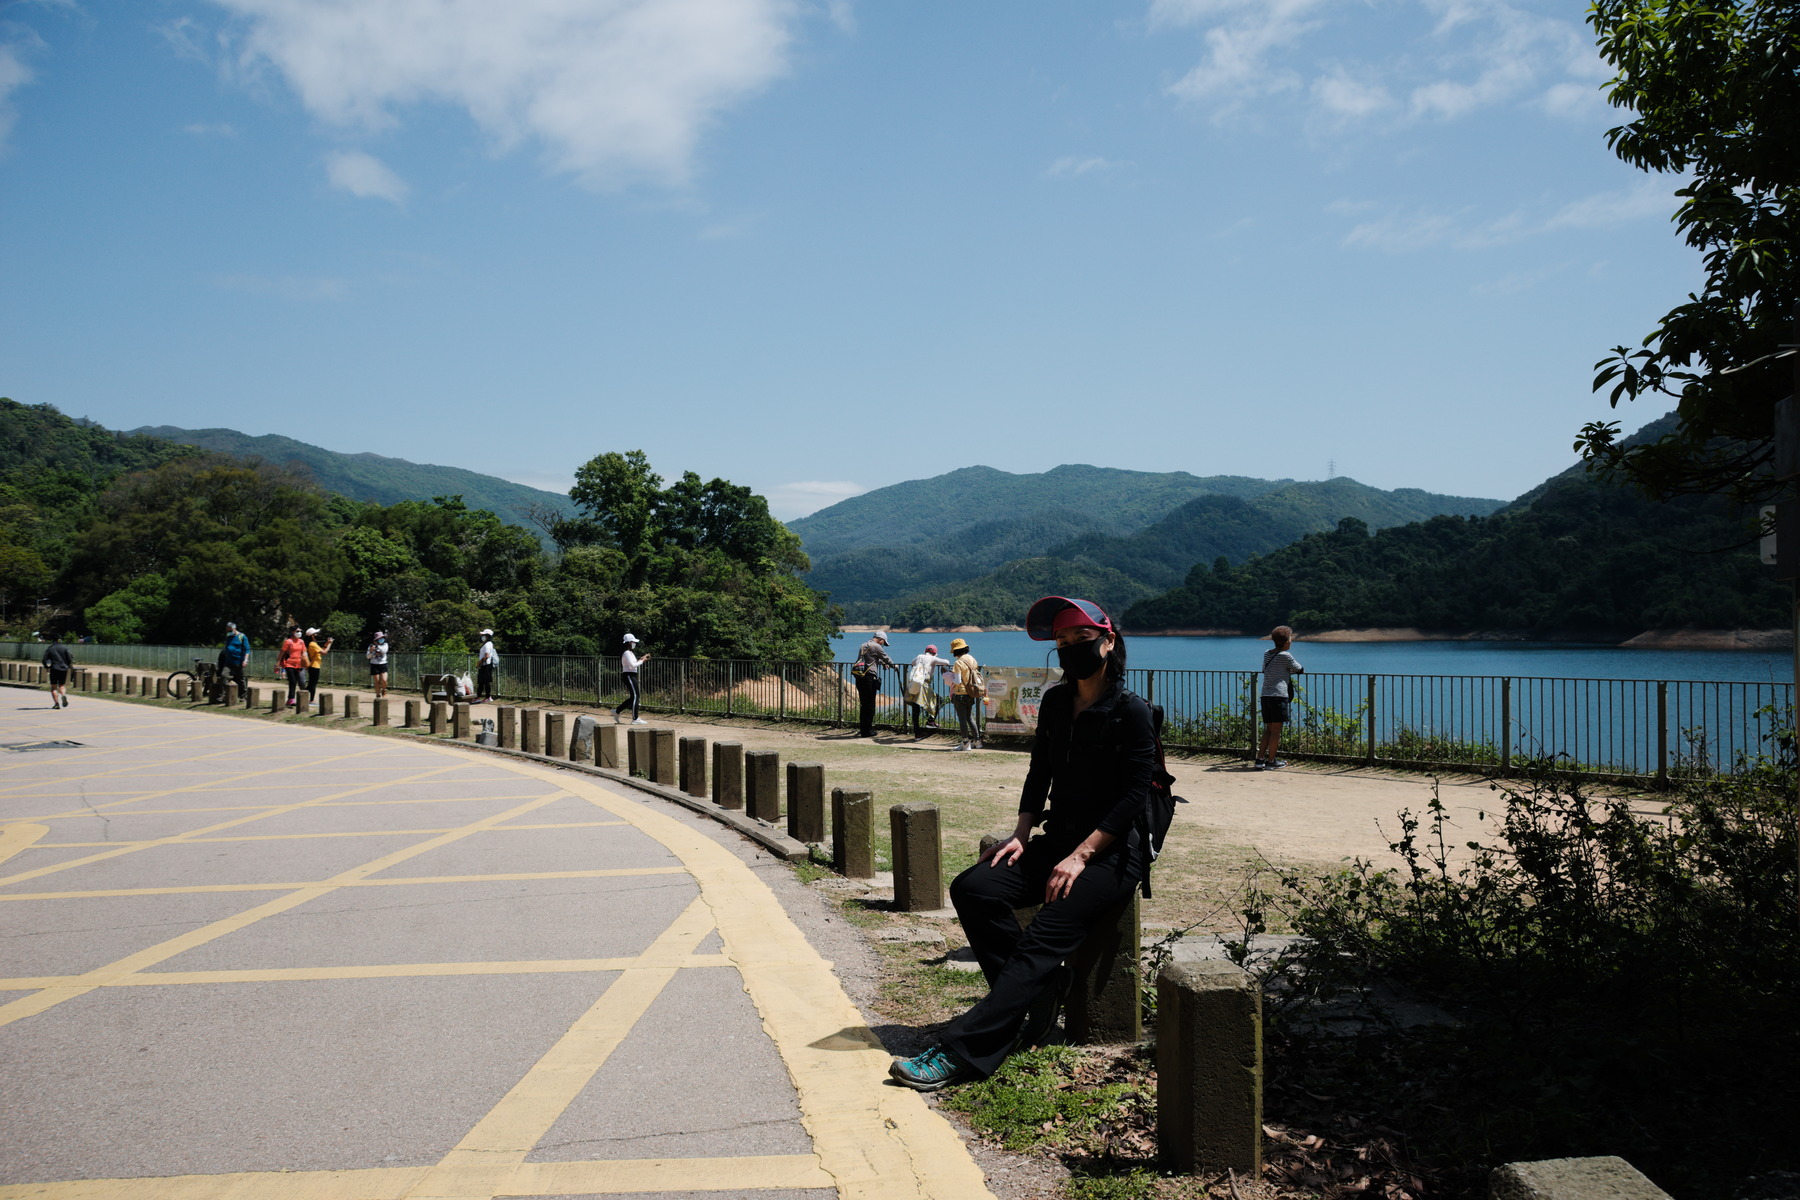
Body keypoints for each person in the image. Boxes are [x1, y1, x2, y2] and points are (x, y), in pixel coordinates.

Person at [889, 596, 1155, 1091]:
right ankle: (1042, 990)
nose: (1071, 648)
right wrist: (1020, 833)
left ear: (1108, 642)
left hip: (1113, 853)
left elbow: (1133, 797)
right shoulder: (1056, 702)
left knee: (1041, 939)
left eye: (1082, 638)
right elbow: (1040, 772)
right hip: (1059, 839)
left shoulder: (1131, 711)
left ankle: (964, 1049)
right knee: (975, 888)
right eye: (1062, 641)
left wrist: (1081, 856)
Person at [1257, 625, 1305, 769]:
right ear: (1287, 642)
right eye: (1290, 639)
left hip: (1265, 695)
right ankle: (1271, 761)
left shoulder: (1267, 653)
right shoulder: (1286, 656)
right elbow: (1299, 669)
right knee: (1276, 731)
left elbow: (1264, 669)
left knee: (1268, 729)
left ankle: (1260, 759)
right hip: (1278, 696)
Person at [852, 631, 899, 738]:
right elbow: (885, 657)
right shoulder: (877, 646)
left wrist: (881, 663)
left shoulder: (863, 645)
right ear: (880, 639)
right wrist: (894, 666)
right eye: (883, 642)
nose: (883, 644)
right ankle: (868, 731)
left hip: (860, 677)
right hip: (869, 678)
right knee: (870, 704)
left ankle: (863, 729)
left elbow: (869, 659)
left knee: (864, 704)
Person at [906, 644, 953, 739]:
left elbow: (912, 663)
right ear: (934, 653)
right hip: (924, 684)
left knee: (915, 708)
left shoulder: (919, 656)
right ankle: (930, 721)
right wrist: (935, 661)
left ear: (925, 651)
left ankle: (917, 733)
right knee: (939, 700)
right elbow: (946, 662)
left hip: (913, 683)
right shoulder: (933, 658)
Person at [948, 637, 987, 750]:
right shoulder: (972, 659)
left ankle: (965, 743)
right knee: (969, 717)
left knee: (962, 719)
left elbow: (957, 681)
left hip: (960, 693)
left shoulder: (958, 663)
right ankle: (977, 741)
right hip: (970, 692)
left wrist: (949, 676)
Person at [613, 633, 651, 725]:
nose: (635, 643)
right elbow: (632, 666)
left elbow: (633, 664)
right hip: (629, 675)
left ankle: (617, 711)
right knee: (636, 695)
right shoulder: (627, 653)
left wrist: (640, 660)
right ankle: (635, 718)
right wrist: (642, 661)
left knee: (633, 696)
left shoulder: (629, 653)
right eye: (633, 642)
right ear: (629, 642)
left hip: (631, 675)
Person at [278, 624, 308, 706]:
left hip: (299, 664)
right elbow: (282, 653)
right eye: (297, 631)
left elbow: (304, 651)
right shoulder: (288, 641)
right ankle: (291, 699)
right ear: (293, 632)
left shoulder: (301, 642)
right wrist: (277, 664)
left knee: (301, 682)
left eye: (300, 631)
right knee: (293, 681)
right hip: (289, 664)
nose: (299, 633)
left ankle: (301, 699)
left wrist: (306, 659)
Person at [42, 636, 73, 709]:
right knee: (62, 685)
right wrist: (68, 665)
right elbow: (69, 658)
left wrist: (47, 667)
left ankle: (56, 704)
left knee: (54, 687)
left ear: (53, 641)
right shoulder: (65, 648)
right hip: (63, 669)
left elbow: (44, 660)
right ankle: (63, 695)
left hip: (54, 668)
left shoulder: (50, 648)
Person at [220, 622, 250, 691]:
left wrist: (245, 660)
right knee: (224, 675)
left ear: (234, 628)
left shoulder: (242, 636)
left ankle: (243, 694)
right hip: (228, 662)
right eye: (228, 630)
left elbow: (247, 650)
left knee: (240, 678)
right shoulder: (228, 636)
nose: (229, 632)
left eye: (230, 630)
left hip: (238, 662)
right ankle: (224, 693)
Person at [304, 627, 332, 697]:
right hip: (314, 666)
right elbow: (324, 652)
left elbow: (321, 650)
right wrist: (329, 644)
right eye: (315, 633)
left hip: (314, 666)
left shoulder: (313, 643)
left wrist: (326, 644)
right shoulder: (312, 644)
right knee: (313, 684)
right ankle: (310, 699)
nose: (317, 634)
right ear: (312, 636)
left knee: (311, 684)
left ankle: (304, 696)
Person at [475, 629, 499, 703]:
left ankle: (488, 697)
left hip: (486, 665)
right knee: (482, 682)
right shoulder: (487, 644)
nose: (482, 636)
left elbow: (487, 655)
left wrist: (479, 662)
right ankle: (478, 697)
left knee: (486, 682)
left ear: (487, 636)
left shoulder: (488, 644)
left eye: (483, 635)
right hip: (484, 665)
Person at [366, 631, 390, 698]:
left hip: (383, 664)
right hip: (374, 664)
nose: (381, 639)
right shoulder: (371, 646)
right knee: (376, 681)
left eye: (382, 638)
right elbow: (368, 656)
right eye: (379, 638)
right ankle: (378, 694)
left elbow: (384, 651)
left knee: (384, 680)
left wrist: (377, 646)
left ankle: (384, 690)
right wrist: (371, 651)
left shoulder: (385, 645)